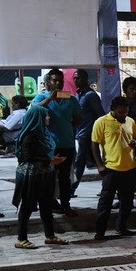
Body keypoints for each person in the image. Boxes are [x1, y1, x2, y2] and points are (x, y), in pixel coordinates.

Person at [12, 106, 69, 249]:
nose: (48, 118)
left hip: (44, 174)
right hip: (32, 176)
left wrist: (52, 160)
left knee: (46, 205)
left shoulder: (43, 133)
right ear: (37, 118)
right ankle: (21, 238)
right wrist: (50, 161)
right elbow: (28, 157)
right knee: (27, 206)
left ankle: (50, 236)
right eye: (46, 116)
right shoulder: (29, 136)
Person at [32, 68, 81, 217]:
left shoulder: (71, 99)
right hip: (49, 146)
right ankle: (49, 204)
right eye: (54, 80)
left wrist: (68, 129)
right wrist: (50, 99)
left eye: (60, 80)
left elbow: (78, 118)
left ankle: (66, 205)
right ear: (48, 82)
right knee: (49, 176)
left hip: (67, 144)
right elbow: (33, 111)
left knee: (65, 177)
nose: (58, 83)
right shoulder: (41, 97)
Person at [91, 96, 136, 240]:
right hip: (111, 168)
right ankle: (100, 231)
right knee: (106, 201)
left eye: (125, 112)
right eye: (120, 113)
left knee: (127, 201)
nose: (123, 115)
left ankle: (122, 227)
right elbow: (94, 143)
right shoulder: (101, 122)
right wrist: (99, 165)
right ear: (113, 110)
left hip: (130, 167)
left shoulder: (131, 121)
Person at [71, 69, 105, 196]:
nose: (75, 80)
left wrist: (97, 134)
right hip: (81, 134)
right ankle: (109, 188)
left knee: (80, 162)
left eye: (78, 78)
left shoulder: (90, 95)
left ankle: (72, 189)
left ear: (85, 79)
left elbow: (101, 115)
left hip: (88, 135)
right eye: (74, 78)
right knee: (97, 163)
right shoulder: (79, 95)